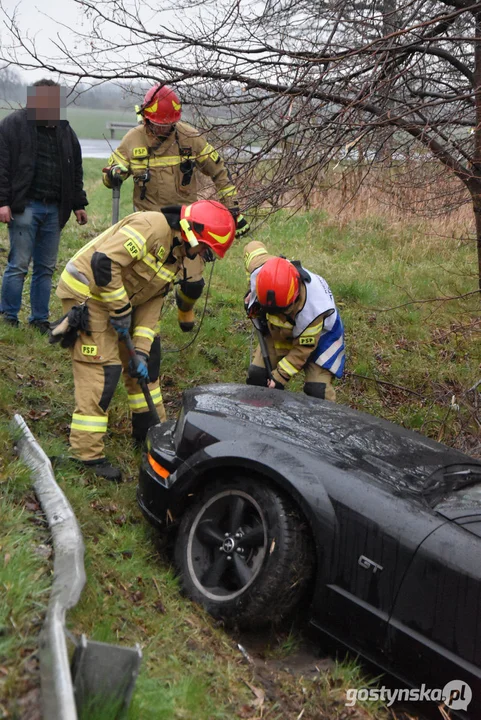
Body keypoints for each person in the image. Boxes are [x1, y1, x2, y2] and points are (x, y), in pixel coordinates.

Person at [52, 200, 236, 481]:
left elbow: (152, 305)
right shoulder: (151, 226)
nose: (201, 256)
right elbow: (103, 263)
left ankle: (149, 433)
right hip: (87, 294)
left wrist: (141, 352)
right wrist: (121, 310)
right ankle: (86, 456)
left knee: (145, 369)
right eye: (204, 249)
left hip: (119, 301)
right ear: (191, 232)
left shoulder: (177, 256)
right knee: (103, 371)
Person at [102, 84, 248, 332]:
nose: (164, 128)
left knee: (194, 283)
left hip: (187, 224)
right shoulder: (133, 140)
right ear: (146, 116)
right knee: (147, 281)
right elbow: (110, 174)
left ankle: (185, 306)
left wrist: (233, 209)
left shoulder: (190, 138)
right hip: (149, 225)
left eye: (168, 124)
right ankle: (140, 326)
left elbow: (219, 170)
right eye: (159, 123)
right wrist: (113, 175)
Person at [0, 79, 88, 333]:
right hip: (24, 207)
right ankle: (8, 316)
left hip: (54, 210)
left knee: (45, 268)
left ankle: (39, 319)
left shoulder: (65, 130)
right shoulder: (12, 126)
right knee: (18, 264)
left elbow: (75, 169)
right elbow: (2, 167)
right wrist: (3, 202)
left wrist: (78, 204)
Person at [244, 241, 345, 400]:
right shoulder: (264, 271)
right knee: (258, 376)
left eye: (280, 311)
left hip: (321, 339)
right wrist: (252, 295)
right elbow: (253, 247)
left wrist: (279, 377)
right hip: (279, 331)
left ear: (294, 297)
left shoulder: (313, 311)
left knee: (317, 391)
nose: (277, 314)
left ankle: (320, 422)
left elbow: (301, 351)